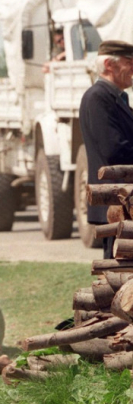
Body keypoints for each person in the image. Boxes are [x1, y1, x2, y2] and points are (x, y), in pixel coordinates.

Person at [79, 40, 133, 259]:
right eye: (129, 63)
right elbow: (114, 150)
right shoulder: (98, 98)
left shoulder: (116, 97)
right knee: (117, 278)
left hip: (123, 203)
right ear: (110, 65)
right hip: (113, 205)